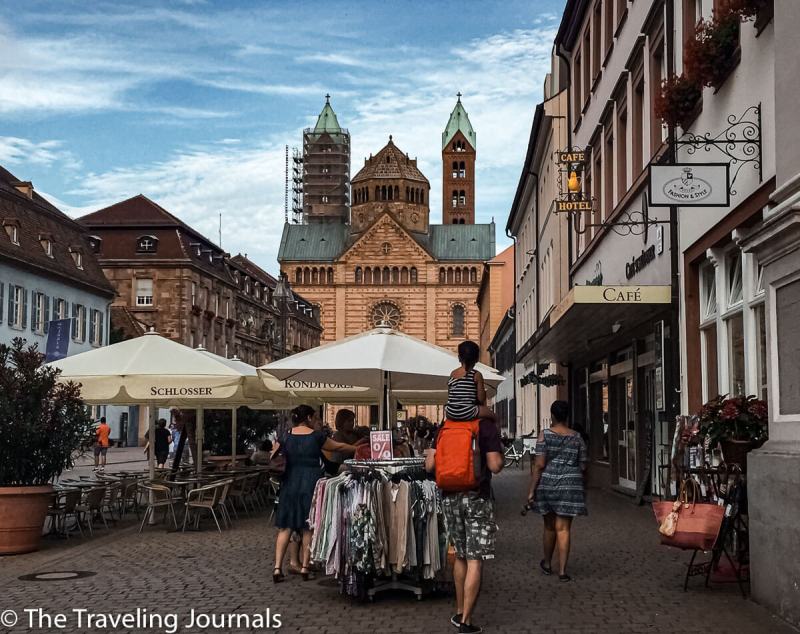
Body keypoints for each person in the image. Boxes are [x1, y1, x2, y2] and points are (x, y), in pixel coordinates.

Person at [425, 400, 504, 634]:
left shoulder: (445, 426)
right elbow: (496, 465)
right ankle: (466, 622)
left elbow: (429, 464)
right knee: (474, 559)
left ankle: (459, 610)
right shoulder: (485, 426)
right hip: (477, 497)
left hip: (450, 497)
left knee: (459, 555)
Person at [272, 404, 356, 583]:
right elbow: (339, 447)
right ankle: (305, 566)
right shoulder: (317, 437)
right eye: (314, 417)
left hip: (289, 482)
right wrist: (357, 448)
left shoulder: (285, 436)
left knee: (285, 527)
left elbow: (273, 455)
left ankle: (277, 567)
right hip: (311, 482)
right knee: (308, 526)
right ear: (309, 418)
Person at [526, 400, 588, 582]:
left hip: (548, 484)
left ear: (552, 415)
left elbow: (539, 465)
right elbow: (583, 465)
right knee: (564, 528)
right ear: (567, 416)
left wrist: (531, 490)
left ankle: (547, 563)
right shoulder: (577, 437)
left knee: (549, 526)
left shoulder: (544, 435)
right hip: (570, 485)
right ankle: (562, 570)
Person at [445, 340, 495, 423]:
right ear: (477, 359)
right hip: (468, 412)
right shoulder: (476, 374)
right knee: (494, 417)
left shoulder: (453, 373)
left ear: (459, 358)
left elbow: (450, 395)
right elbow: (481, 399)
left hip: (450, 412)